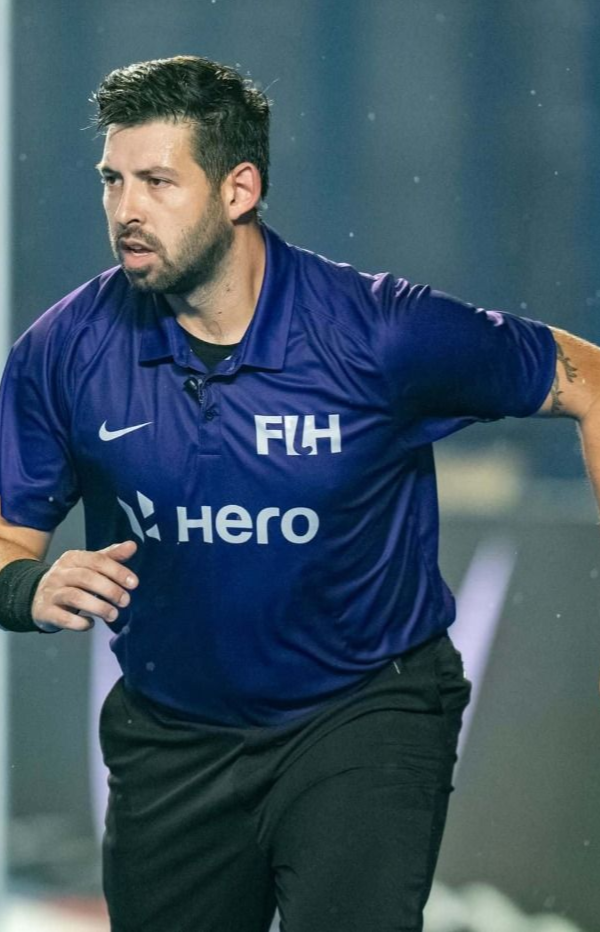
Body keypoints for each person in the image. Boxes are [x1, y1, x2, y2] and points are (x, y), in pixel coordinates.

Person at [0, 55, 597, 932]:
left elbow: (587, 378)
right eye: (113, 181)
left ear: (239, 189)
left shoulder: (379, 332)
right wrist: (26, 587)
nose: (126, 210)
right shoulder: (64, 352)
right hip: (173, 738)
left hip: (364, 712)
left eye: (158, 182)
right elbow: (9, 545)